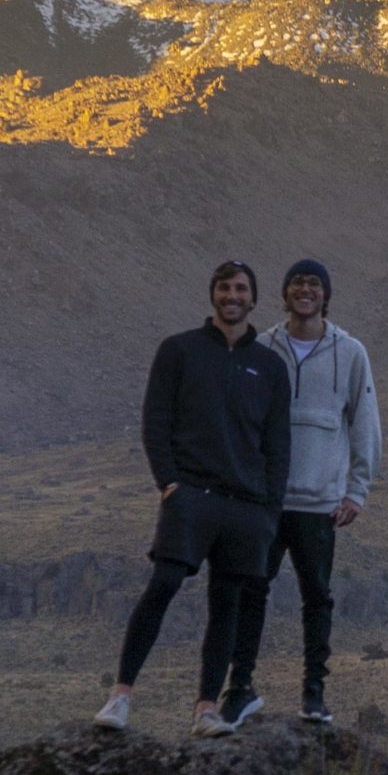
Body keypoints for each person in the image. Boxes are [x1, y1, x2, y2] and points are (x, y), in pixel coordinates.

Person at [92, 260, 290, 736]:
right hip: (191, 496)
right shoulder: (179, 351)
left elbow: (278, 445)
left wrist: (269, 511)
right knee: (162, 586)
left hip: (245, 506)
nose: (232, 296)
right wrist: (169, 484)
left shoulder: (269, 367)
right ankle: (120, 696)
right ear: (213, 295)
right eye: (224, 288)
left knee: (227, 606)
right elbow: (155, 422)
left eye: (241, 288)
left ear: (253, 298)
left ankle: (206, 708)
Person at [227, 258, 381, 725]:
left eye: (314, 284)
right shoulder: (263, 347)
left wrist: (357, 490)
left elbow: (365, 423)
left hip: (319, 503)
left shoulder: (350, 353)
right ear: (285, 292)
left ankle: (314, 692)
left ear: (326, 295)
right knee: (251, 592)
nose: (305, 291)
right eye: (297, 283)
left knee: (317, 596)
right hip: (265, 500)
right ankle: (240, 688)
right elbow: (239, 419)